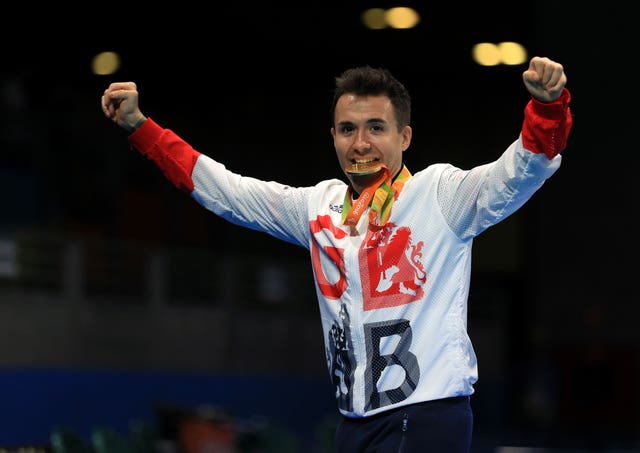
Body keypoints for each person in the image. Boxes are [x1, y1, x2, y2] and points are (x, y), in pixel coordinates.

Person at [101, 56, 572, 452]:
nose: (361, 143)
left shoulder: (439, 196)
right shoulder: (317, 207)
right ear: (332, 138)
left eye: (376, 128)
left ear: (404, 137)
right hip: (354, 423)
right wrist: (142, 129)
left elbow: (519, 174)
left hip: (426, 416)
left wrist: (548, 108)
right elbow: (225, 190)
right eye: (348, 129)